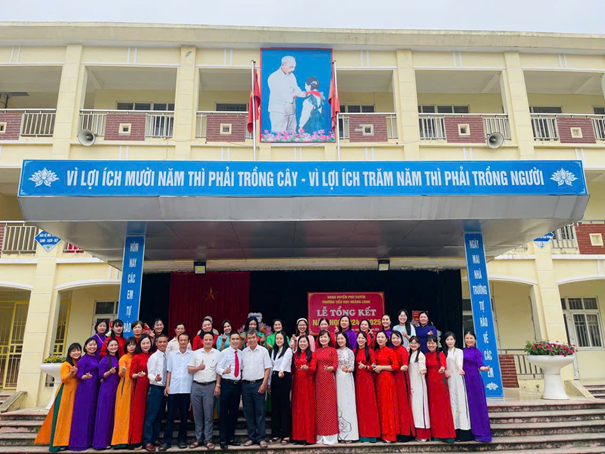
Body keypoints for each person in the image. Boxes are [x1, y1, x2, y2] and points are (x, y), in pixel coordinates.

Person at [35, 343, 81, 452]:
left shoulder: (78, 363)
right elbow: (64, 378)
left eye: (78, 350)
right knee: (63, 417)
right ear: (69, 353)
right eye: (73, 351)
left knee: (71, 417)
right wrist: (71, 373)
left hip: (74, 393)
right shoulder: (66, 364)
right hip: (66, 393)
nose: (76, 353)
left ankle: (67, 441)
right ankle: (58, 442)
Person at [188, 332, 221, 450]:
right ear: (202, 341)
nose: (208, 341)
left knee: (208, 414)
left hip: (210, 386)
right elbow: (189, 369)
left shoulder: (217, 353)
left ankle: (208, 439)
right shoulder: (196, 353)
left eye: (210, 339)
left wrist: (218, 386)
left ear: (213, 341)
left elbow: (219, 372)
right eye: (206, 339)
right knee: (197, 414)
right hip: (196, 386)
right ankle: (198, 439)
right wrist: (199, 368)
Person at [163, 332, 193, 451]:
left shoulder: (193, 354)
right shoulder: (172, 355)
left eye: (185, 340)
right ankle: (167, 441)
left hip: (186, 389)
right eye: (181, 340)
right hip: (174, 389)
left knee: (184, 416)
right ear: (178, 341)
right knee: (170, 416)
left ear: (188, 342)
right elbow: (169, 371)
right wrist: (167, 386)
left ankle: (182, 440)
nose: (183, 342)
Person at [241, 329, 272, 448]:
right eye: (249, 338)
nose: (251, 340)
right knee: (248, 412)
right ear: (247, 339)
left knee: (260, 412)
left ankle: (261, 438)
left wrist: (264, 384)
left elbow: (267, 368)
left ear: (257, 338)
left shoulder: (263, 351)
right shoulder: (243, 352)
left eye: (253, 337)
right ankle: (252, 437)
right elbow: (241, 369)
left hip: (258, 384)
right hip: (246, 385)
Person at [68, 337, 99, 451]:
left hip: (94, 388)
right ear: (85, 347)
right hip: (85, 389)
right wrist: (85, 376)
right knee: (83, 415)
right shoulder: (83, 360)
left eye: (94, 344)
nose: (92, 347)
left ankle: (89, 441)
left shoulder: (96, 357)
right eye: (90, 345)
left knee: (91, 415)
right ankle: (79, 442)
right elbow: (79, 375)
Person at [425, 335, 456, 443]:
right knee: (433, 409)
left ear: (437, 344)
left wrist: (443, 368)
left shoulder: (441, 354)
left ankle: (447, 435)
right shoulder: (426, 355)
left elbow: (443, 365)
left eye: (433, 343)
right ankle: (436, 434)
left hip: (440, 383)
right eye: (429, 343)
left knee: (443, 408)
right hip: (430, 384)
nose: (431, 345)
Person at [463, 331, 492, 442]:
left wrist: (485, 368)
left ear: (475, 340)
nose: (469, 340)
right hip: (464, 380)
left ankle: (481, 432)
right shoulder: (462, 351)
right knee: (468, 405)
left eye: (471, 338)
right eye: (467, 338)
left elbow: (480, 365)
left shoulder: (477, 352)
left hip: (474, 380)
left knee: (477, 405)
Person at [92, 338, 120, 449]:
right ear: (107, 347)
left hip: (114, 388)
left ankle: (109, 440)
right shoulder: (104, 360)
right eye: (111, 345)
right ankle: (100, 443)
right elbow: (101, 375)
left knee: (111, 415)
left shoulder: (116, 358)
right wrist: (109, 372)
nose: (114, 347)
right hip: (107, 389)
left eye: (115, 345)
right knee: (104, 414)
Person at [217, 332, 243, 450]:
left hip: (237, 386)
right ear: (230, 340)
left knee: (234, 413)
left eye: (237, 339)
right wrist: (224, 371)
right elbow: (218, 368)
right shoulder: (224, 352)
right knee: (224, 412)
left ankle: (231, 438)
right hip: (226, 384)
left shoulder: (241, 353)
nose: (236, 341)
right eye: (233, 339)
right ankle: (223, 439)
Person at [444, 332, 473, 441]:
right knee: (451, 404)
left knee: (460, 402)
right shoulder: (443, 353)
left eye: (451, 339)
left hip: (458, 378)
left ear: (455, 340)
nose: (450, 341)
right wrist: (445, 370)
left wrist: (460, 369)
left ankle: (464, 431)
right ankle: (453, 430)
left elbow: (459, 362)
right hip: (449, 380)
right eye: (447, 339)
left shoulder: (459, 351)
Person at [142, 333, 169, 452]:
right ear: (156, 343)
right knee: (151, 416)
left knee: (159, 416)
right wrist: (155, 378)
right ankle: (147, 441)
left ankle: (155, 438)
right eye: (160, 342)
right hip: (155, 388)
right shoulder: (153, 357)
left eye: (165, 342)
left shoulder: (167, 356)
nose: (163, 344)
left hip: (164, 389)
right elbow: (150, 374)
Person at [267, 55, 306, 134]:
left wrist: (301, 92)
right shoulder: (274, 77)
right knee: (279, 134)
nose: (293, 69)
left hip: (291, 110)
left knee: (292, 133)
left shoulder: (291, 75)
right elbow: (279, 94)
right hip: (278, 111)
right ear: (283, 64)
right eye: (291, 67)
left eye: (294, 67)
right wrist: (296, 94)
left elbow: (295, 87)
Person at [373, 331, 399, 443]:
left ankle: (390, 434)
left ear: (386, 339)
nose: (380, 339)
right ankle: (382, 433)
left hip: (387, 379)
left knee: (388, 406)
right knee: (381, 405)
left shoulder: (390, 351)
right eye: (378, 337)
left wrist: (382, 367)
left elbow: (396, 366)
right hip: (378, 379)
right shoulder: (376, 351)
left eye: (382, 337)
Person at [111, 337, 137, 448]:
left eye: (133, 344)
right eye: (129, 345)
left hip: (135, 386)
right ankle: (119, 440)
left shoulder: (136, 357)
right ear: (126, 346)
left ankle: (130, 438)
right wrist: (122, 371)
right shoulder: (123, 358)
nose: (132, 347)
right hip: (125, 386)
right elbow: (120, 374)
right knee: (123, 413)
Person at [354, 332, 380, 443]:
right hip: (357, 381)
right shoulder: (354, 352)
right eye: (359, 338)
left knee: (369, 407)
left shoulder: (370, 351)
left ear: (366, 340)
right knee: (360, 407)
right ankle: (361, 434)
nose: (360, 340)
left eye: (362, 338)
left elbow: (374, 366)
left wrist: (365, 367)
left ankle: (371, 434)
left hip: (367, 381)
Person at [390, 331, 416, 442]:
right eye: (393, 338)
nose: (395, 340)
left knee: (403, 405)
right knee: (396, 405)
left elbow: (405, 363)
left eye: (397, 338)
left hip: (402, 378)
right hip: (393, 379)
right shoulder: (391, 350)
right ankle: (398, 431)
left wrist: (404, 366)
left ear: (401, 339)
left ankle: (406, 432)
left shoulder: (403, 350)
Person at [314, 329, 339, 445]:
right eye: (321, 337)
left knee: (329, 406)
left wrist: (330, 368)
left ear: (329, 339)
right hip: (318, 380)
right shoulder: (316, 351)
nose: (323, 339)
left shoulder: (333, 350)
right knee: (319, 407)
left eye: (325, 337)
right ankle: (320, 436)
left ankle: (330, 436)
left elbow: (335, 365)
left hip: (329, 380)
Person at [291, 335, 316, 445]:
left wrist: (308, 368)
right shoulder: (295, 355)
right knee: (297, 409)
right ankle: (297, 437)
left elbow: (314, 368)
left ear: (308, 343)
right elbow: (292, 370)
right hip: (297, 384)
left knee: (307, 409)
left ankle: (308, 437)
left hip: (308, 384)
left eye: (304, 342)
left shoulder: (312, 355)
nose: (302, 344)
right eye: (300, 342)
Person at [268, 331, 293, 445]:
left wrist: (281, 371)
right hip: (275, 378)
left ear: (284, 340)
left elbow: (285, 362)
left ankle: (286, 435)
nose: (278, 340)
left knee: (284, 406)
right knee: (275, 407)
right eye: (277, 338)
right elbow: (271, 367)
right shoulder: (273, 351)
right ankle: (276, 434)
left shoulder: (288, 350)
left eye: (280, 338)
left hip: (284, 377)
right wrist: (269, 383)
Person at [335, 332, 359, 442]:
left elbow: (352, 367)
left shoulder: (350, 352)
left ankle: (350, 435)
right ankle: (339, 434)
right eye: (338, 339)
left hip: (347, 378)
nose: (340, 341)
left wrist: (348, 370)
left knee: (348, 403)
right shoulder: (335, 352)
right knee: (338, 403)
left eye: (342, 338)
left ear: (346, 339)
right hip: (337, 378)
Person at [129, 334, 152, 448]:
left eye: (148, 343)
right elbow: (131, 374)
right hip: (140, 387)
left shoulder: (153, 355)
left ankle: (150, 439)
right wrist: (138, 375)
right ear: (140, 345)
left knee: (150, 414)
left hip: (152, 386)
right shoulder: (137, 357)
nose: (146, 345)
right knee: (139, 413)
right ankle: (137, 440)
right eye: (143, 343)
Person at [408, 335, 431, 441]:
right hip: (411, 384)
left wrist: (423, 370)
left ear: (419, 345)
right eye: (411, 343)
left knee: (421, 408)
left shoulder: (421, 355)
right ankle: (416, 433)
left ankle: (424, 435)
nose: (413, 345)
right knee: (414, 409)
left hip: (419, 384)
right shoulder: (410, 354)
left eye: (415, 343)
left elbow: (422, 366)